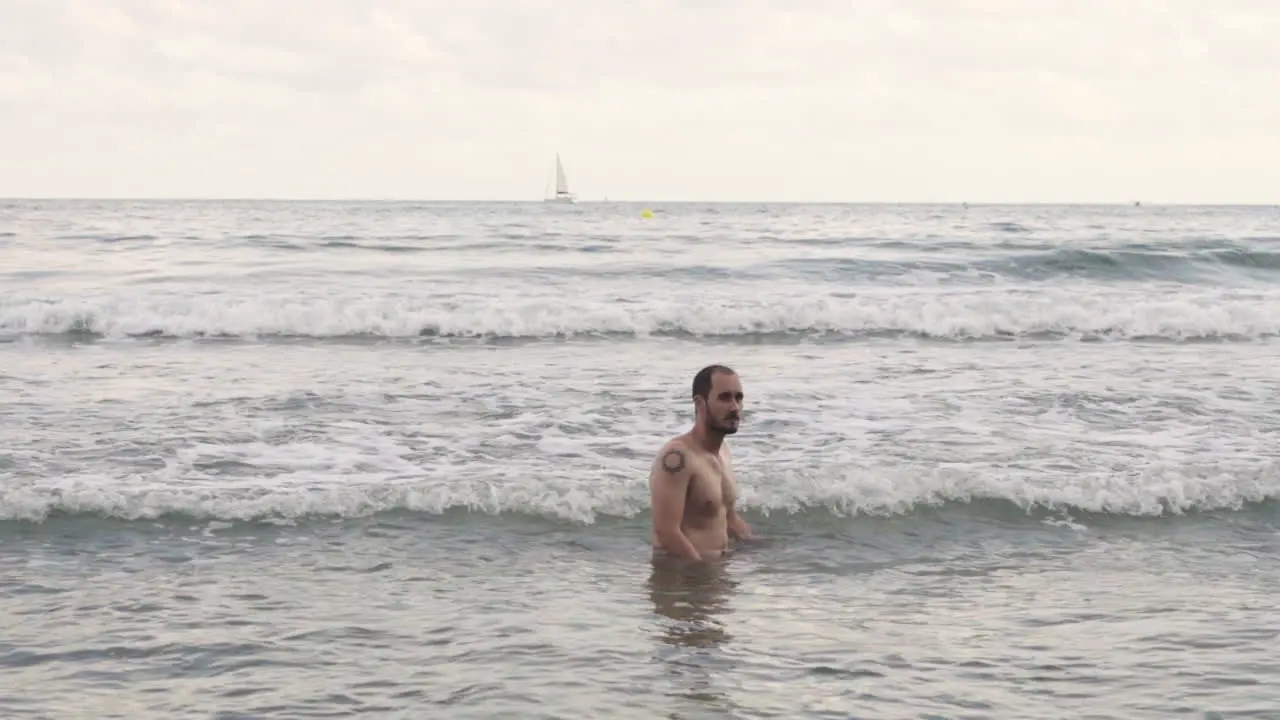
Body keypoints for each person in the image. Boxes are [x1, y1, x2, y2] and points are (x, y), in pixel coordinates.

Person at [648, 364, 755, 561]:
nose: (734, 407)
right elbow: (666, 532)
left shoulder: (724, 453)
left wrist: (764, 548)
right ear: (700, 403)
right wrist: (700, 572)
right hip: (681, 578)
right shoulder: (677, 457)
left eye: (738, 398)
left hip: (714, 572)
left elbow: (728, 518)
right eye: (724, 398)